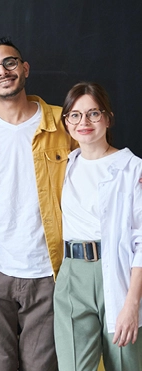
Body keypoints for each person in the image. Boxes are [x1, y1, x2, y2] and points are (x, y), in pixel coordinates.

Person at [0, 36, 74, 370]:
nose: (1, 72)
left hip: (48, 270)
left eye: (9, 63)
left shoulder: (62, 123)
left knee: (43, 365)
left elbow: (96, 170)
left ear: (24, 68)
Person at [53, 82, 142, 370]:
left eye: (93, 113)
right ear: (66, 121)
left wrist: (131, 304)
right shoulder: (65, 164)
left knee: (125, 364)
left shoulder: (133, 169)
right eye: (75, 115)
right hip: (72, 275)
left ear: (108, 117)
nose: (84, 122)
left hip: (117, 276)